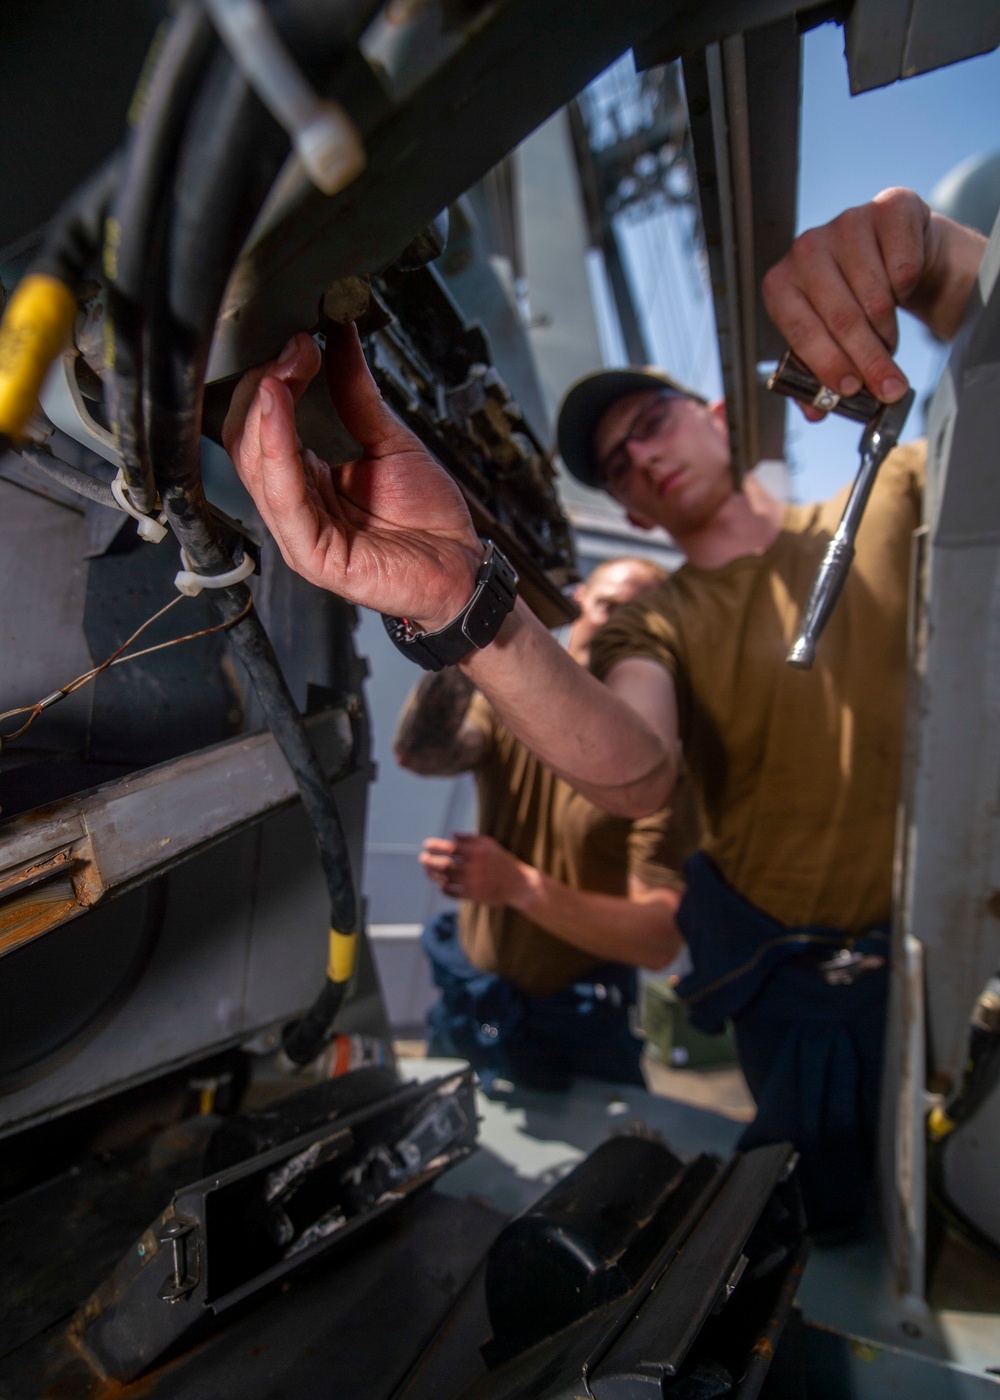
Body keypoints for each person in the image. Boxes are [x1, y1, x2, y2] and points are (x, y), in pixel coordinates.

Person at [223, 187, 987, 1229]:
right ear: (629, 514)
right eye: (621, 464)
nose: (643, 456)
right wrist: (461, 603)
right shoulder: (655, 617)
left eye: (652, 422)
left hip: (949, 941)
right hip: (792, 990)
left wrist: (946, 266)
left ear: (715, 416)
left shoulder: (896, 494)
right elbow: (632, 765)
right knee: (838, 1223)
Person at [393, 556, 699, 1091]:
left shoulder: (659, 766)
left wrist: (520, 887)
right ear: (576, 602)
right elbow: (421, 754)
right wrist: (465, 622)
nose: (623, 624)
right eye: (609, 606)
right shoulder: (509, 710)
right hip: (470, 998)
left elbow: (658, 941)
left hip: (578, 1027)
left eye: (643, 615)